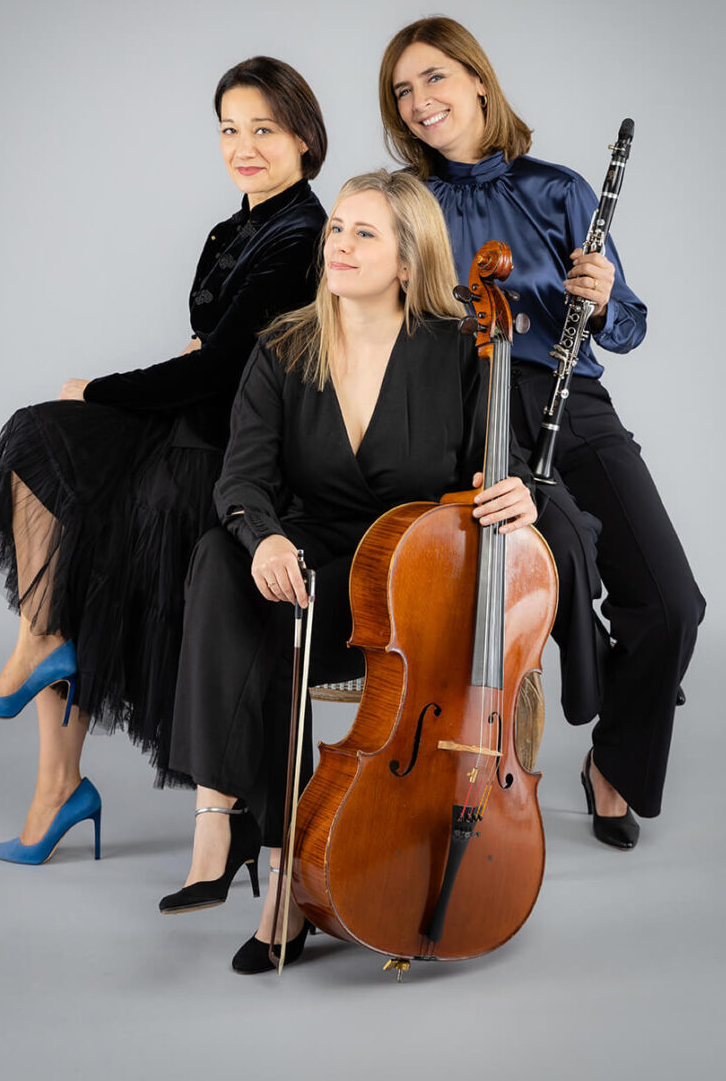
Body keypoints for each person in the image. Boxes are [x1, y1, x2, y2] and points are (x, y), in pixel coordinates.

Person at [0, 57, 328, 864]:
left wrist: (100, 390)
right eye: (229, 129)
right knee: (52, 507)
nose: (243, 147)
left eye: (264, 129)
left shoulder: (302, 236)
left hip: (231, 450)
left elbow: (219, 371)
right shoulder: (232, 230)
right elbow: (205, 349)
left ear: (304, 136)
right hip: (189, 424)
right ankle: (54, 756)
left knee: (63, 494)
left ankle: (58, 770)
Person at [161, 169, 539, 973]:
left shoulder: (459, 347)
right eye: (336, 227)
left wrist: (518, 494)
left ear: (408, 259)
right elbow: (241, 480)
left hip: (412, 588)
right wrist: (264, 538)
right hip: (313, 557)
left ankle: (265, 857)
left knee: (268, 630)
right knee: (223, 560)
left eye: (365, 233)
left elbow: (503, 468)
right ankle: (238, 836)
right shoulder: (284, 345)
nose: (338, 244)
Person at [379, 17, 705, 848]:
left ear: (477, 79)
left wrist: (599, 300)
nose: (419, 101)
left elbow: (627, 326)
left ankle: (612, 762)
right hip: (466, 412)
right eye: (403, 91)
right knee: (559, 546)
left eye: (434, 78)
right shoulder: (406, 202)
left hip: (570, 399)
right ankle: (586, 679)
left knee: (672, 604)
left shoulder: (558, 190)